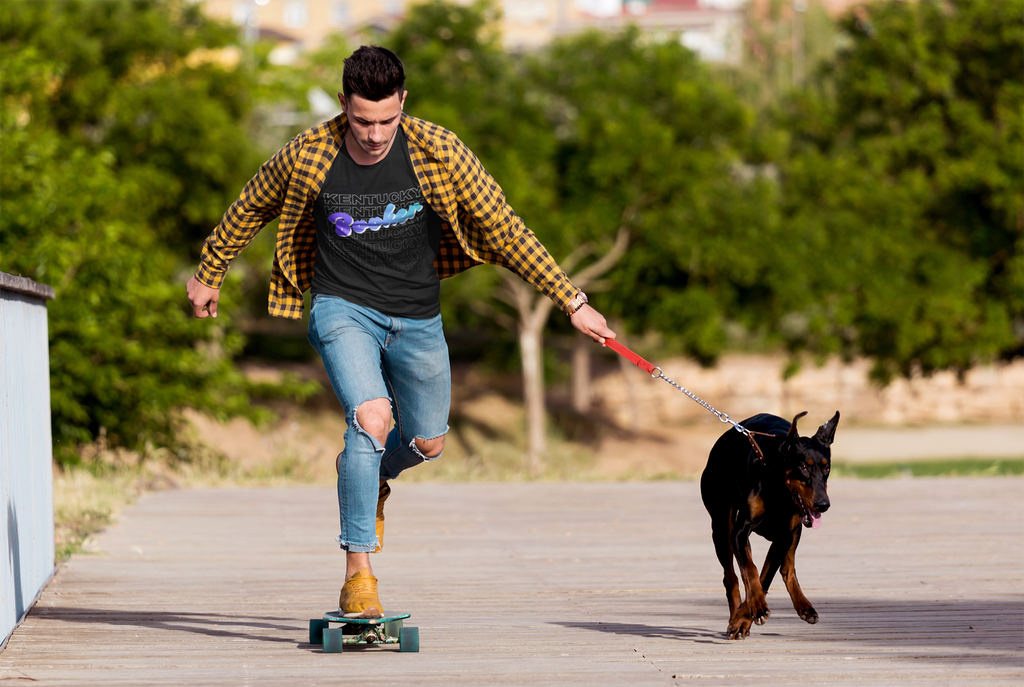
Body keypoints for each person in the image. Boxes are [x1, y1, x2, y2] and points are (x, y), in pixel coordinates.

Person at [186, 45, 615, 618]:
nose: (374, 134)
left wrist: (571, 299)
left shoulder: (440, 152)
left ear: (403, 103)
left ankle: (368, 474)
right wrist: (209, 271)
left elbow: (506, 229)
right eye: (363, 121)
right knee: (371, 418)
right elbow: (251, 205)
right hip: (342, 307)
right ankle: (359, 574)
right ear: (344, 105)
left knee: (426, 442)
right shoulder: (308, 153)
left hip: (417, 315)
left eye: (387, 120)